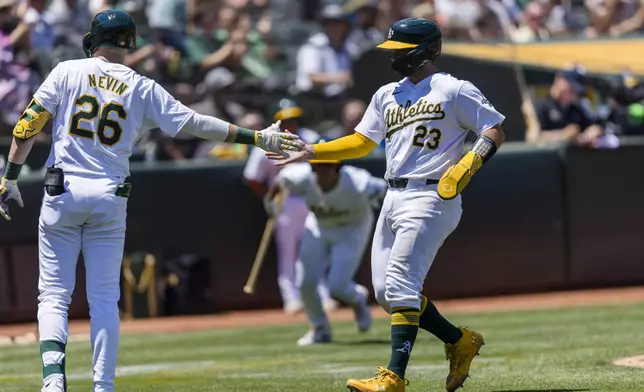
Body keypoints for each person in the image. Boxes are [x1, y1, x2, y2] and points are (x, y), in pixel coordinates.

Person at [0, 10, 301, 392]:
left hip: (64, 191)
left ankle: (54, 383)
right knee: (105, 299)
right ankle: (103, 386)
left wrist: (9, 178)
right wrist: (255, 137)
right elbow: (195, 122)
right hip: (110, 195)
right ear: (130, 44)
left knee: (55, 295)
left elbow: (26, 126)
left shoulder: (66, 71)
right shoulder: (143, 86)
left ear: (94, 39)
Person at [267, 18, 506, 392]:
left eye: (400, 50)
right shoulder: (386, 94)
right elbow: (362, 142)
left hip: (433, 194)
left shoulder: (453, 89)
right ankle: (459, 340)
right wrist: (314, 151)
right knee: (384, 293)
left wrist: (469, 164)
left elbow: (493, 128)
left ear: (424, 51)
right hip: (393, 196)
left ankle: (393, 377)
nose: (393, 57)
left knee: (400, 285)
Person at [265, 155, 387, 346]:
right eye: (317, 167)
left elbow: (387, 190)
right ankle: (319, 329)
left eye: (327, 167)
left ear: (337, 168)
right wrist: (271, 203)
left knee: (337, 286)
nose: (321, 172)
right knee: (305, 282)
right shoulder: (301, 176)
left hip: (352, 229)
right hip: (318, 226)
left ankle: (358, 298)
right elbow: (280, 181)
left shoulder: (359, 182)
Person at [243, 98, 337, 314]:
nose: (291, 124)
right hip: (283, 202)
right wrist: (268, 197)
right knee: (288, 253)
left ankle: (322, 294)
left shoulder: (310, 138)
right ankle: (291, 298)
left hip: (310, 199)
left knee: (315, 248)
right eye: (286, 119)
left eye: (294, 119)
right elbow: (251, 177)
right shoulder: (266, 142)